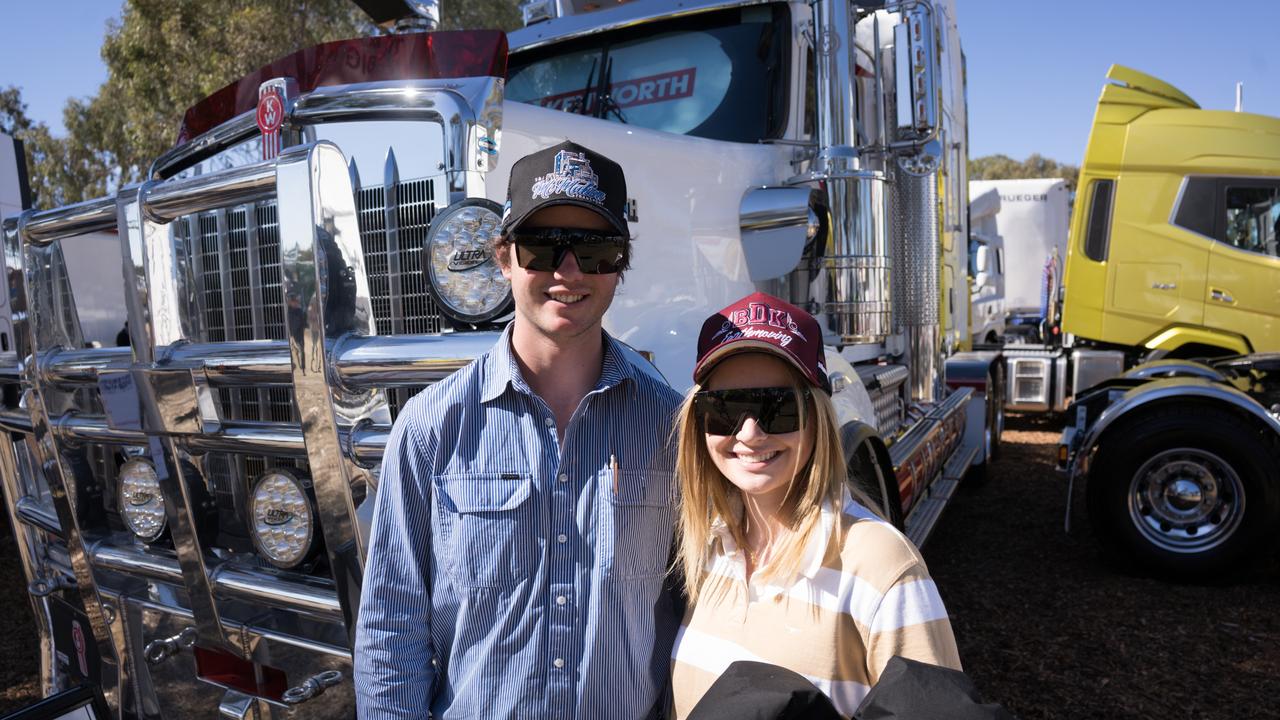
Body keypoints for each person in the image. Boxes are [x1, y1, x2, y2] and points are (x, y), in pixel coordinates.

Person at [354, 141, 683, 718]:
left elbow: (695, 619)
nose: (569, 271)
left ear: (621, 265)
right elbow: (392, 635)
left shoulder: (672, 429)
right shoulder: (430, 431)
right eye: (542, 248)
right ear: (504, 258)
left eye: (596, 248)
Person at [669, 292, 961, 718]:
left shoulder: (879, 566)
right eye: (726, 409)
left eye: (778, 408)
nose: (749, 434)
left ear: (819, 416)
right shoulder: (703, 550)